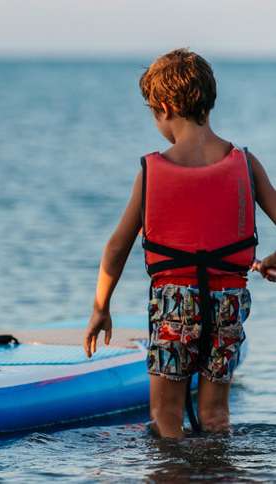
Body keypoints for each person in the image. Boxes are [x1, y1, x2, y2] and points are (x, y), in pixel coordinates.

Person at [83, 48, 276, 439]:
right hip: (228, 304)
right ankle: (219, 472)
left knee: (166, 412)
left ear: (166, 108)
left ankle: (172, 473)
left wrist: (101, 308)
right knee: (216, 415)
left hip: (175, 304)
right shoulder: (246, 162)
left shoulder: (153, 171)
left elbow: (117, 248)